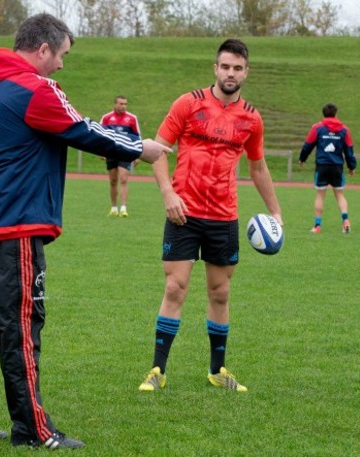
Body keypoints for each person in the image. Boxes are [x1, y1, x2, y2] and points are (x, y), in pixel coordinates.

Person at [0, 13, 170, 449]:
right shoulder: (35, 89)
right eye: (62, 55)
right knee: (21, 330)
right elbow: (84, 130)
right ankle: (32, 430)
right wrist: (141, 148)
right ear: (43, 49)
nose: (62, 65)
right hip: (14, 231)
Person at [138, 39, 283, 394]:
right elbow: (158, 151)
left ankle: (217, 371)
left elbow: (259, 166)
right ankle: (157, 369)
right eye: (225, 66)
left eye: (237, 68)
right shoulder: (188, 103)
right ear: (215, 68)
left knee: (220, 292)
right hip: (183, 212)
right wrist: (168, 193)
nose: (230, 73)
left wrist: (276, 211)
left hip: (224, 216)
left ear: (246, 72)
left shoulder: (251, 118)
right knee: (175, 287)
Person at [299, 103, 357, 234]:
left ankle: (317, 226)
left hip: (322, 166)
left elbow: (308, 145)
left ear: (323, 114)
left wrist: (302, 158)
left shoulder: (318, 128)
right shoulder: (344, 130)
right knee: (340, 195)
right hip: (337, 167)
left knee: (320, 195)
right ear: (336, 114)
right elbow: (349, 149)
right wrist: (351, 166)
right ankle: (345, 221)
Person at [100, 95, 141, 217]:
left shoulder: (132, 118)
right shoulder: (107, 118)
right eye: (121, 104)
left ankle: (123, 208)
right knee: (113, 181)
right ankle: (113, 208)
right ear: (115, 104)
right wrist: (100, 151)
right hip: (111, 152)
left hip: (125, 152)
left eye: (125, 104)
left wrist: (137, 155)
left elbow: (137, 137)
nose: (124, 106)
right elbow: (99, 135)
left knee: (123, 179)